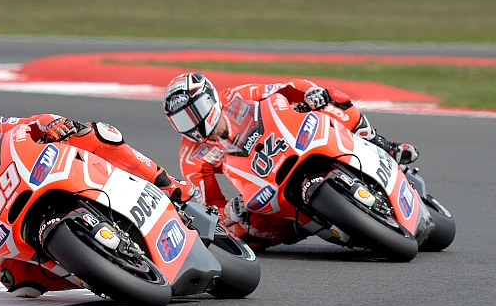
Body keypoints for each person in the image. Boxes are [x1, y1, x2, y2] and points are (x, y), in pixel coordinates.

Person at [0, 102, 193, 297]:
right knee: (15, 281)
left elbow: (31, 124)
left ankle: (169, 185)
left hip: (39, 176)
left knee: (97, 133)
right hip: (9, 226)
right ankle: (97, 274)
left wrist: (53, 125)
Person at [163, 72, 419, 248]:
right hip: (262, 179)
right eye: (182, 120)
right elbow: (209, 205)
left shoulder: (237, 96)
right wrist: (229, 210)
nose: (192, 124)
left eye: (194, 112)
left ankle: (383, 144)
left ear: (210, 98)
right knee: (242, 232)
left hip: (289, 140)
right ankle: (302, 225)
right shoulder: (191, 157)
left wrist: (311, 94)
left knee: (331, 99)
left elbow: (286, 87)